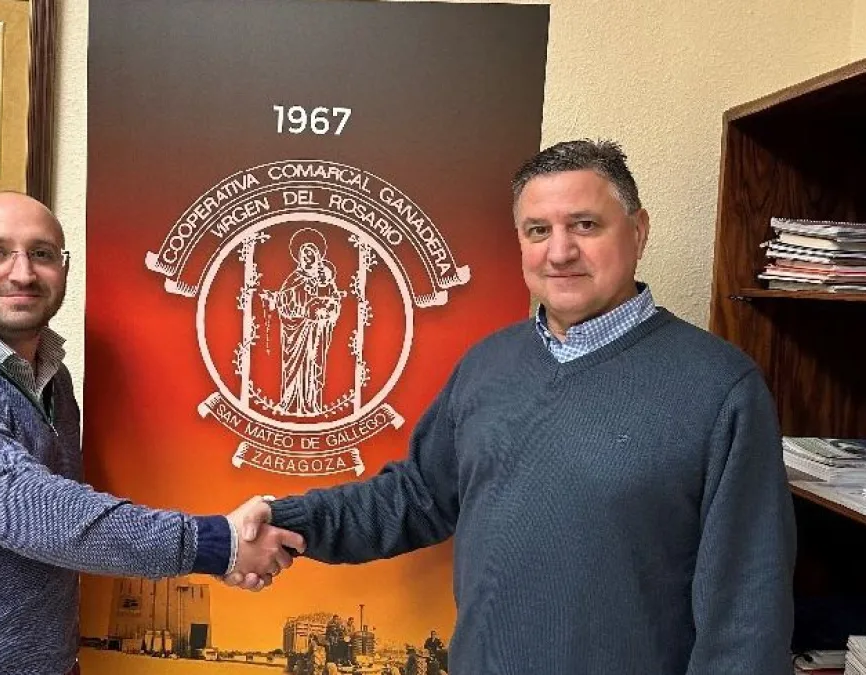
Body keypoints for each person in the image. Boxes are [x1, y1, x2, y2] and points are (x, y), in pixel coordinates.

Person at [226, 140, 796, 673]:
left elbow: (746, 613)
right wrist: (288, 520)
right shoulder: (488, 364)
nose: (560, 252)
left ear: (639, 230)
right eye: (538, 230)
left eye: (586, 225)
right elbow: (416, 498)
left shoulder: (720, 389)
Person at [0, 192, 304, 675]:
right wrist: (219, 544)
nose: (23, 273)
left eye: (42, 253)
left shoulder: (52, 378)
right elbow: (32, 512)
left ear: (63, 269)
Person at [262, 227, 345, 415]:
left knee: (313, 365)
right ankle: (290, 402)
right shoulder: (294, 278)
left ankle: (311, 403)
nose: (308, 259)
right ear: (299, 258)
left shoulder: (325, 279)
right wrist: (300, 306)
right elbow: (284, 301)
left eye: (311, 255)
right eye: (305, 255)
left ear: (318, 257)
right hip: (296, 332)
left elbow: (335, 302)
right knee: (294, 369)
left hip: (316, 332)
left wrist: (327, 310)